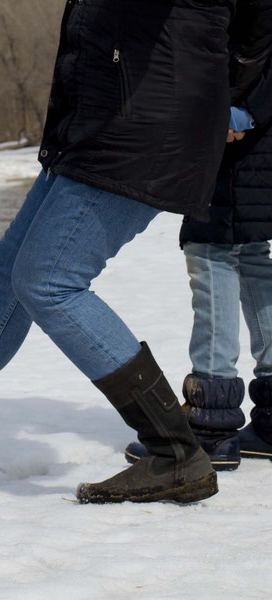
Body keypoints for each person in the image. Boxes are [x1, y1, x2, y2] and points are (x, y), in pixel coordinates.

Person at [0, 0, 266, 504]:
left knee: (49, 281)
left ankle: (175, 454)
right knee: (8, 278)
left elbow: (256, 24)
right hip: (98, 120)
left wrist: (230, 97)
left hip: (148, 124)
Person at [125, 17, 272, 471]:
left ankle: (210, 427)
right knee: (252, 262)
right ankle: (268, 423)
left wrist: (241, 113)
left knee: (211, 261)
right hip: (254, 148)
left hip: (234, 145)